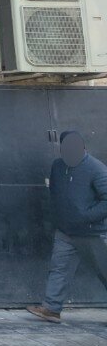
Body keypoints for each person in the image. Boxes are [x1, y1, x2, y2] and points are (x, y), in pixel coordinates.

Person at [28, 131, 107, 323]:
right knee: (59, 269)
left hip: (93, 233)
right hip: (66, 232)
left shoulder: (96, 168)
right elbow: (55, 192)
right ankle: (51, 309)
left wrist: (86, 216)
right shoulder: (58, 166)